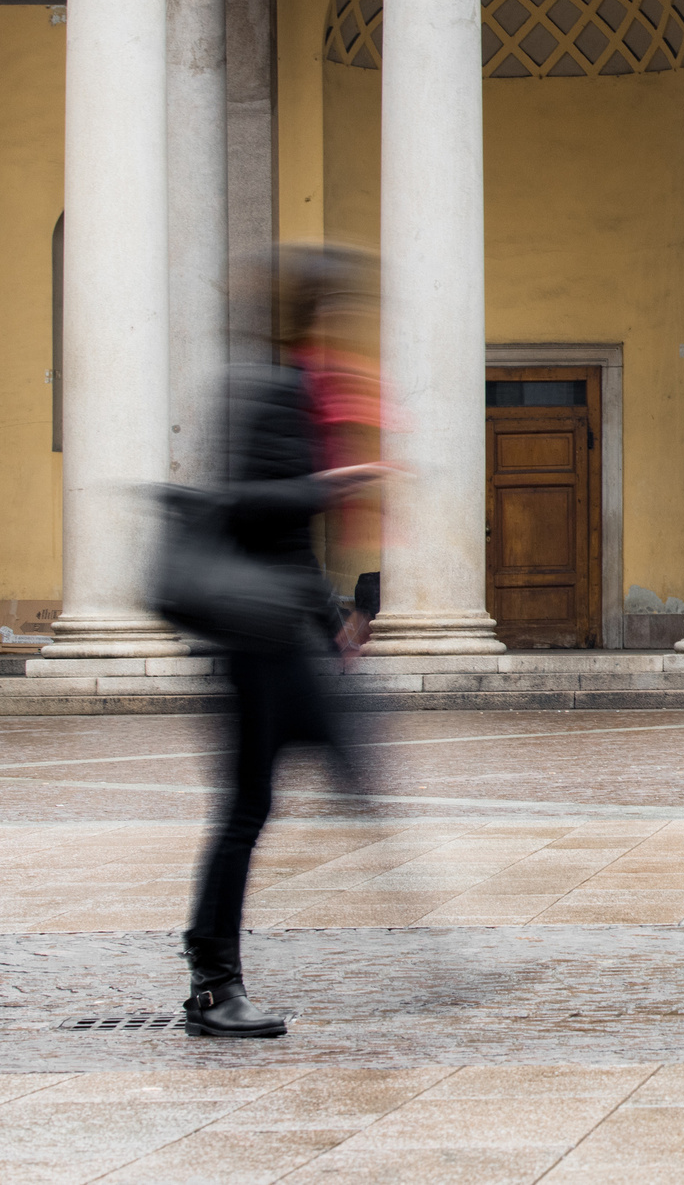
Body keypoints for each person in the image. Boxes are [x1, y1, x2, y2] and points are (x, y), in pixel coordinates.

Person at [183, 246, 391, 1039]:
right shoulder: (272, 389)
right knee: (249, 808)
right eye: (339, 311)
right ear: (313, 314)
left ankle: (215, 977)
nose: (348, 324)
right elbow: (245, 505)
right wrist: (329, 485)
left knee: (259, 802)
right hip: (253, 642)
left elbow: (287, 539)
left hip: (275, 637)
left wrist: (330, 619)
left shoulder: (293, 389)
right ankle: (212, 983)